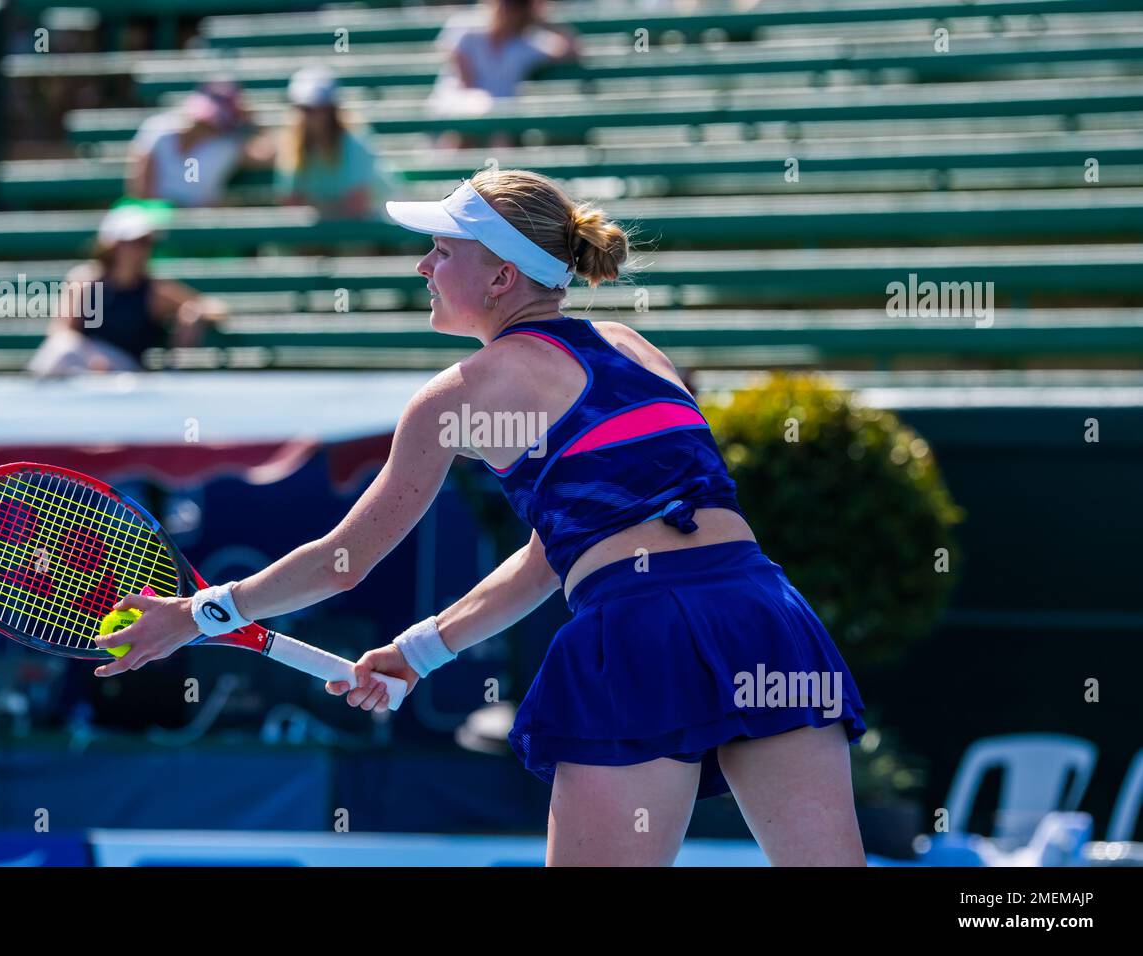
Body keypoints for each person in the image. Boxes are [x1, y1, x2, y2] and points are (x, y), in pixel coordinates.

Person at [91, 169, 868, 867]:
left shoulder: (456, 398)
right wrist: (421, 651)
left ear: (500, 276)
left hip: (639, 632)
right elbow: (556, 550)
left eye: (442, 251)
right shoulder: (634, 346)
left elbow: (344, 561)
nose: (423, 267)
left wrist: (201, 612)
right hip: (763, 613)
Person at [26, 204, 227, 375]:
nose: (142, 250)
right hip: (83, 367)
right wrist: (94, 358)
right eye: (135, 242)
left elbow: (213, 307)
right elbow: (61, 332)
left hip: (125, 375)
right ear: (113, 246)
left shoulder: (155, 292)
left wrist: (194, 311)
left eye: (146, 243)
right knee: (61, 350)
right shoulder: (85, 281)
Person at [427, 0, 581, 149]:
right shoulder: (465, 28)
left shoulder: (527, 43)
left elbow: (569, 49)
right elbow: (466, 87)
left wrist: (539, 20)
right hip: (459, 110)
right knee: (474, 124)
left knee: (498, 127)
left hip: (499, 119)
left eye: (517, 4)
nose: (508, 8)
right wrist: (484, 107)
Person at [272, 66, 400, 220]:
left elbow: (359, 203)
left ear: (332, 110)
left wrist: (319, 211)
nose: (313, 117)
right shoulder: (290, 142)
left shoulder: (356, 137)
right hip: (331, 229)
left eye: (321, 108)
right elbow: (290, 200)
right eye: (306, 109)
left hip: (372, 223)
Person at [127, 81, 276, 207]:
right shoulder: (157, 128)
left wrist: (253, 123)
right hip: (152, 213)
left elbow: (269, 153)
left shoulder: (226, 147)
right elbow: (141, 191)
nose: (199, 126)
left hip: (193, 220)